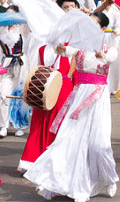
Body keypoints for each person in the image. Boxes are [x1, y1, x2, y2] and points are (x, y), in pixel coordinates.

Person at [24, 12, 119, 202]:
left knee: (99, 145)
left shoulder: (110, 48)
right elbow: (64, 51)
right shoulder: (79, 47)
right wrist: (58, 46)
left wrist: (103, 55)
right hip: (78, 95)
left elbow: (111, 57)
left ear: (101, 29)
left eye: (93, 25)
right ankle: (68, 184)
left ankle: (110, 179)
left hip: (97, 97)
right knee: (69, 139)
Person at [17, 39, 73, 173]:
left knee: (45, 124)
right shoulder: (64, 48)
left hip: (48, 88)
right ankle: (43, 161)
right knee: (51, 125)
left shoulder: (47, 49)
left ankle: (34, 161)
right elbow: (72, 71)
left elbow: (37, 70)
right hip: (57, 88)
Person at [0, 5, 31, 138]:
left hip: (20, 64)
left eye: (12, 15)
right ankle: (3, 125)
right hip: (5, 64)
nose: (8, 17)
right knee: (3, 94)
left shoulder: (22, 28)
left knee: (20, 95)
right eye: (7, 14)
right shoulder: (1, 29)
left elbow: (27, 16)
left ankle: (20, 125)